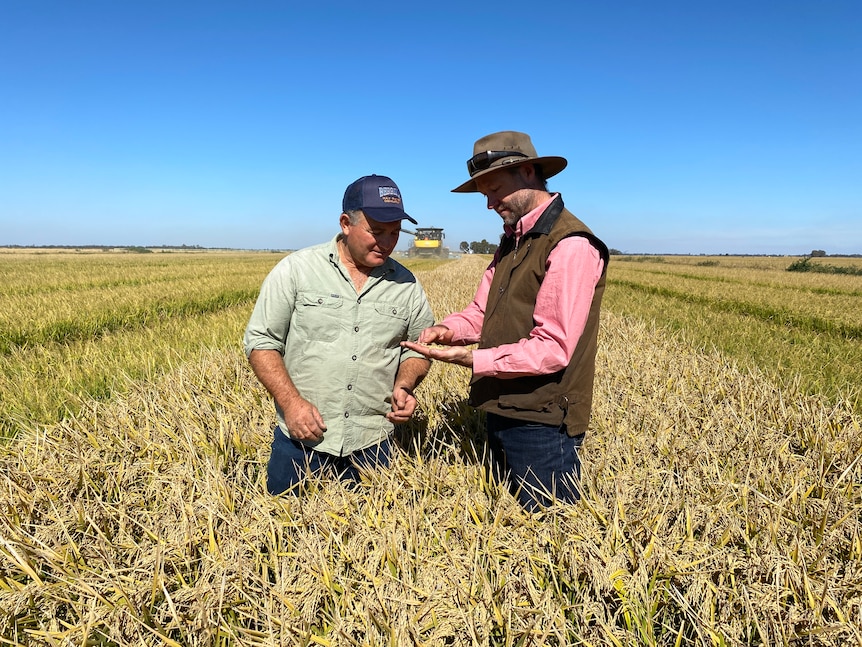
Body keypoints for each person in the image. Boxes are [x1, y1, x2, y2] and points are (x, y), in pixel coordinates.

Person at [402, 131, 609, 511]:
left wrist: (472, 360)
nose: (489, 204)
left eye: (495, 190)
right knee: (507, 522)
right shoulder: (513, 240)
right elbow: (483, 313)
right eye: (484, 194)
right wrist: (447, 331)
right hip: (502, 405)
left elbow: (553, 349)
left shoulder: (570, 244)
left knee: (551, 533)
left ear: (528, 172)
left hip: (542, 420)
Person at [244, 174, 435, 495]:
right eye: (376, 231)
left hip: (373, 444)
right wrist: (291, 404)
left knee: (370, 538)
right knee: (285, 529)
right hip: (302, 441)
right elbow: (261, 343)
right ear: (346, 223)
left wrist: (405, 384)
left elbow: (419, 348)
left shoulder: (407, 285)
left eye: (395, 233)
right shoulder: (297, 270)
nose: (387, 242)